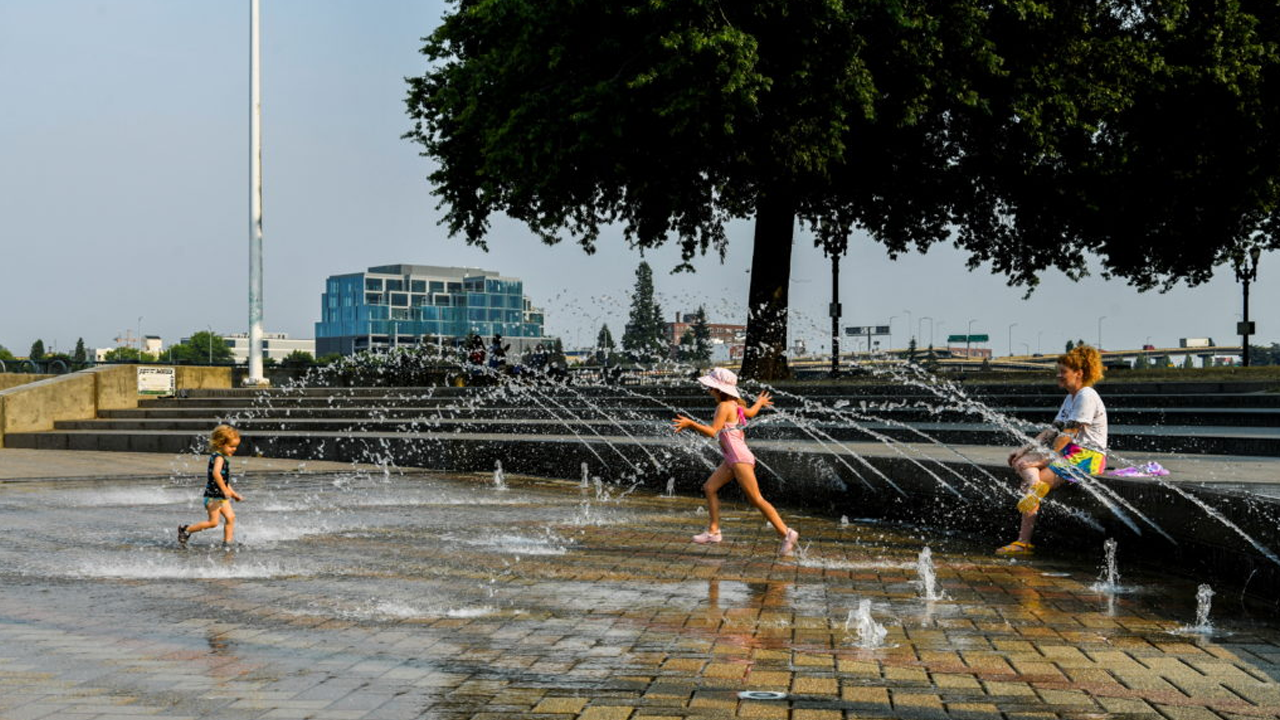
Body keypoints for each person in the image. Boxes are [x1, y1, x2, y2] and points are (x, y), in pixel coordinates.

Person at [672, 367, 799, 555]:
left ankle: (786, 533)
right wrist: (759, 403)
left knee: (756, 499)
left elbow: (712, 432)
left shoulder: (723, 407)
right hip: (733, 457)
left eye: (710, 388)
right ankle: (714, 531)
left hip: (739, 458)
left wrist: (690, 424)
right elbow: (751, 413)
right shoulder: (735, 404)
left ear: (719, 389)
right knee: (709, 488)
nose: (709, 391)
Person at [998, 345, 1108, 556]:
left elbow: (1068, 433)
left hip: (1089, 457)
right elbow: (1052, 430)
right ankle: (1035, 484)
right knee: (1022, 463)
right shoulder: (1070, 398)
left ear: (1079, 373)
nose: (1058, 375)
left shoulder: (1087, 395)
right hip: (1071, 452)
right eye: (1058, 371)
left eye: (1063, 372)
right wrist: (1024, 449)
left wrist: (1043, 459)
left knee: (1028, 480)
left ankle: (1023, 542)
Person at [178, 424, 245, 548]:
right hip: (213, 496)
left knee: (231, 517)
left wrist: (234, 494)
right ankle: (186, 530)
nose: (234, 449)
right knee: (213, 522)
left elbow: (224, 480)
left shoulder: (223, 458)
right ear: (220, 444)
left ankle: (228, 542)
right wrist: (225, 490)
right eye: (231, 446)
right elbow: (216, 473)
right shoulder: (218, 458)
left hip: (221, 496)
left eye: (235, 446)